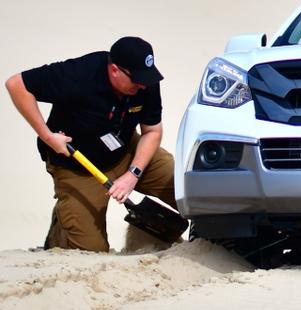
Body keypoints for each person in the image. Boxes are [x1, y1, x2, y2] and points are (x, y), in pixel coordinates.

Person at [5, 36, 177, 252]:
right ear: (115, 70)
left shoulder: (145, 83)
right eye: (137, 79)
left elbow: (152, 132)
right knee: (91, 252)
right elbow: (16, 84)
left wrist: (133, 174)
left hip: (126, 150)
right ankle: (62, 228)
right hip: (77, 165)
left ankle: (220, 236)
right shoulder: (78, 75)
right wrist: (48, 137)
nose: (143, 85)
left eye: (146, 78)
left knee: (184, 184)